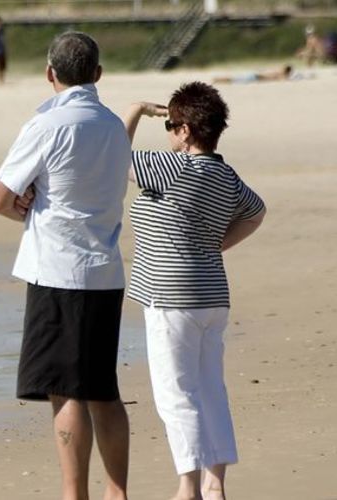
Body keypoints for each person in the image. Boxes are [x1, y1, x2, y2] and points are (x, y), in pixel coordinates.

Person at [0, 32, 132, 500]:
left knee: (65, 389)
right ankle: (117, 491)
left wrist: (26, 209)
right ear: (97, 74)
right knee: (102, 390)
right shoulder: (114, 126)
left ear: (50, 73)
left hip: (58, 269)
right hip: (105, 270)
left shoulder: (47, 125)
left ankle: (75, 493)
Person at [122, 82, 266, 500]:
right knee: (209, 389)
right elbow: (255, 213)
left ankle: (188, 488)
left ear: (185, 131)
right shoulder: (225, 175)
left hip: (171, 296)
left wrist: (134, 111)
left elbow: (111, 156)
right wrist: (215, 245)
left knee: (176, 393)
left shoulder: (174, 166)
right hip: (211, 293)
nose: (168, 132)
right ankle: (214, 484)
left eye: (170, 125)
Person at [212, 65, 294, 84]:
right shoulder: (279, 73)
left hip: (255, 75)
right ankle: (217, 79)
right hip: (256, 77)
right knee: (233, 79)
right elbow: (283, 78)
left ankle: (218, 79)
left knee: (233, 79)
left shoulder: (277, 71)